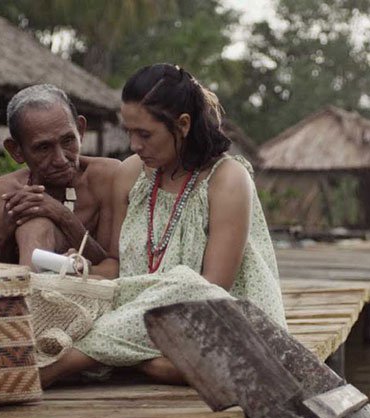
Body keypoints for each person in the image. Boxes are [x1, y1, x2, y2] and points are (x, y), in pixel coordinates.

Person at [39, 64, 286, 387]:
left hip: (213, 322)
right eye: (129, 131)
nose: (134, 145)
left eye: (145, 134)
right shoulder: (131, 174)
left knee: (188, 283)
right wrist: (85, 268)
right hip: (139, 321)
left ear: (182, 125)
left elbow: (211, 289)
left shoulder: (227, 179)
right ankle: (136, 359)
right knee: (48, 288)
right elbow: (117, 266)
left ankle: (70, 361)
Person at [0, 84, 120, 275]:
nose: (60, 160)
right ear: (16, 151)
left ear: (80, 130)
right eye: (43, 148)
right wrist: (6, 233)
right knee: (34, 225)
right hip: (26, 297)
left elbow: (117, 268)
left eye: (68, 141)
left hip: (94, 293)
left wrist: (62, 215)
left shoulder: (108, 177)